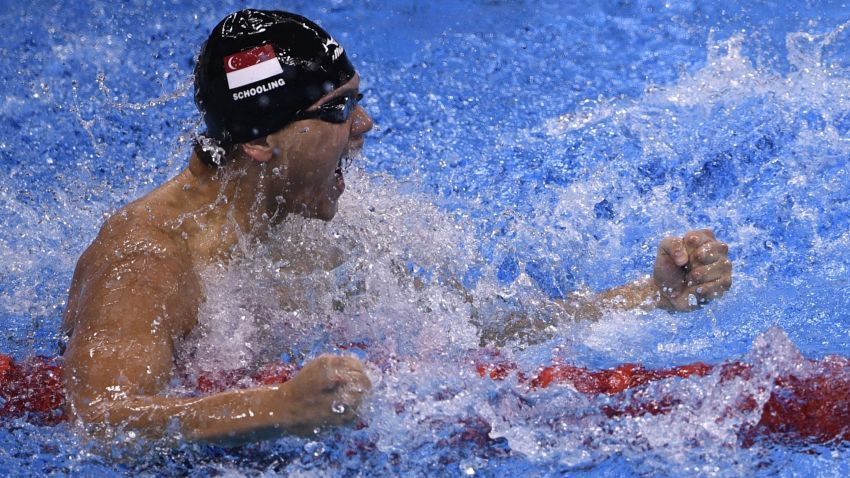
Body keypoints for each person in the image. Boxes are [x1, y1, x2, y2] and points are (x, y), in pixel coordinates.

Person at [58, 9, 731, 445]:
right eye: (338, 108)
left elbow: (463, 334)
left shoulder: (310, 216)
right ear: (260, 143)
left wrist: (644, 296)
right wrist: (280, 409)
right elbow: (103, 418)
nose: (364, 126)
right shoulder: (147, 261)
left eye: (358, 99)